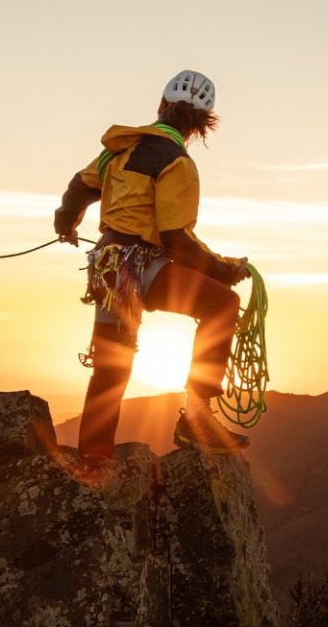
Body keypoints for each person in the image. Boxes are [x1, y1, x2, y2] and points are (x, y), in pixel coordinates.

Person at [54, 69, 251, 457]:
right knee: (221, 304)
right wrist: (225, 271)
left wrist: (66, 222)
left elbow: (80, 185)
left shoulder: (120, 150)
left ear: (162, 105)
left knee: (111, 366)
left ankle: (93, 461)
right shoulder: (177, 162)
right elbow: (177, 239)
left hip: (108, 270)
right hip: (141, 266)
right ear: (201, 126)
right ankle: (198, 418)